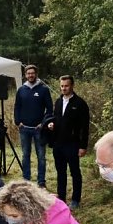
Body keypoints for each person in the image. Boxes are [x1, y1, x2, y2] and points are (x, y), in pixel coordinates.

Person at [45, 76, 90, 209]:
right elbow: (56, 119)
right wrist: (51, 125)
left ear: (72, 86)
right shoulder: (58, 102)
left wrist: (83, 146)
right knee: (60, 172)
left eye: (66, 86)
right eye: (62, 86)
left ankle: (76, 199)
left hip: (73, 144)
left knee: (75, 172)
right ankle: (62, 198)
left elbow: (84, 127)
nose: (64, 88)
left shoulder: (80, 104)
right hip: (58, 144)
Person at [14, 65, 53, 187]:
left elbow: (50, 109)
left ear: (36, 74)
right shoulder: (21, 90)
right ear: (25, 75)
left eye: (32, 73)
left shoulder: (43, 89)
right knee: (25, 155)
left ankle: (41, 181)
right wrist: (17, 121)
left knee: (41, 156)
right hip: (24, 128)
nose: (30, 75)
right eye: (28, 73)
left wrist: (43, 123)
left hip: (39, 129)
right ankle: (26, 180)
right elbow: (17, 107)